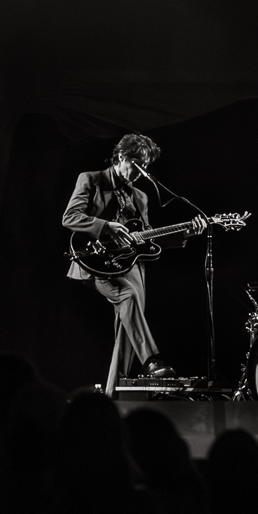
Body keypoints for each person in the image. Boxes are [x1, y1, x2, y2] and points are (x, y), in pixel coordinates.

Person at [63, 133, 205, 393]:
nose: (142, 171)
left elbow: (147, 239)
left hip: (131, 268)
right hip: (95, 260)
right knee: (127, 297)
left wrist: (186, 234)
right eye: (138, 163)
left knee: (127, 330)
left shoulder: (140, 196)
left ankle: (112, 397)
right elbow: (70, 217)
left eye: (147, 165)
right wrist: (106, 226)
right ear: (120, 157)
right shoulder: (91, 179)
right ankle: (153, 360)